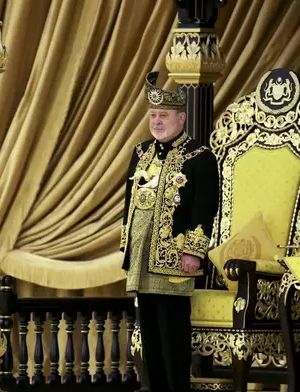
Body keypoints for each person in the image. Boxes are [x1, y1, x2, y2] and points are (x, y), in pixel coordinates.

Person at [120, 72, 220, 392]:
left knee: (172, 334)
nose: (157, 121)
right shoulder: (141, 152)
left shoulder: (200, 158)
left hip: (175, 260)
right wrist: (127, 248)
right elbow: (129, 203)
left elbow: (204, 209)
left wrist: (194, 251)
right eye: (153, 115)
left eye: (163, 115)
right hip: (141, 258)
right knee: (149, 334)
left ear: (181, 118)